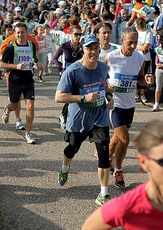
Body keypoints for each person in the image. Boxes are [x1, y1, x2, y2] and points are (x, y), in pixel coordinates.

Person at [55, 34, 114, 206]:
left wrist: (109, 97)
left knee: (104, 154)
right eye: (89, 48)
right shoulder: (72, 71)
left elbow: (103, 85)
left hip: (99, 118)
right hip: (79, 120)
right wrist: (83, 98)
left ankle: (103, 195)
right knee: (72, 149)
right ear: (83, 49)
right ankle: (65, 168)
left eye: (96, 48)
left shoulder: (103, 67)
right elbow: (58, 97)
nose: (94, 51)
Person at [104, 27, 146, 189]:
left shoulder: (139, 58)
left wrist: (146, 82)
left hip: (130, 105)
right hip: (115, 105)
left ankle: (106, 159)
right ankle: (119, 171)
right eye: (130, 43)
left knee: (116, 140)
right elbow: (99, 76)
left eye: (135, 43)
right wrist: (107, 85)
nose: (133, 46)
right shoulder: (111, 57)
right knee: (124, 139)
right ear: (122, 42)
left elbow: (141, 79)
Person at [0, 22, 39, 144]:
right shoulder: (11, 47)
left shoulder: (31, 45)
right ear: (14, 34)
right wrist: (15, 66)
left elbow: (34, 58)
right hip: (15, 80)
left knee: (30, 107)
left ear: (26, 33)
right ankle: (7, 110)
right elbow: (2, 64)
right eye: (18, 32)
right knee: (14, 105)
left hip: (28, 79)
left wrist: (36, 63)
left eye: (22, 32)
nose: (20, 35)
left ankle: (27, 133)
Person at [53, 25, 83, 129]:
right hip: (66, 75)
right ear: (71, 35)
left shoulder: (82, 47)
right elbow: (55, 58)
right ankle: (63, 116)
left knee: (74, 97)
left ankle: (65, 116)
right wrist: (61, 68)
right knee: (67, 97)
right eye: (76, 34)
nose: (78, 37)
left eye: (80, 34)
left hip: (78, 75)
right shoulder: (64, 46)